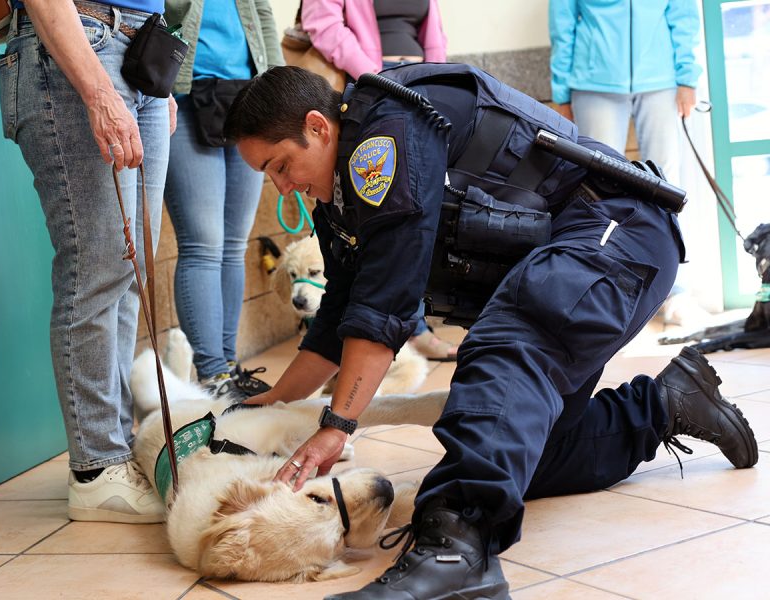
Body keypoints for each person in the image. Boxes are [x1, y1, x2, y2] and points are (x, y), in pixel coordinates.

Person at [224, 64, 758, 599]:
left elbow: (384, 301)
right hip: (575, 254)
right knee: (528, 449)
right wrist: (271, 404)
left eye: (281, 165)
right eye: (269, 175)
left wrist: (337, 424)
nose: (282, 186)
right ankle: (665, 405)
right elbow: (340, 313)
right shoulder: (337, 199)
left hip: (616, 227)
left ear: (317, 127)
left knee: (508, 342)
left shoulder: (383, 137)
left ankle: (456, 549)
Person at [0, 0, 176, 522]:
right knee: (97, 265)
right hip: (79, 39)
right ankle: (97, 468)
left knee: (130, 265)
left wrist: (157, 83)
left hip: (142, 51)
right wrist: (99, 91)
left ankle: (116, 448)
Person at [301, 0, 458, 361]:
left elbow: (433, 31)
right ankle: (406, 328)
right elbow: (321, 23)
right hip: (374, 90)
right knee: (388, 213)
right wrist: (375, 76)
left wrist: (435, 76)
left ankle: (412, 323)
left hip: (418, 85)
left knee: (421, 206)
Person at [549, 0, 708, 327]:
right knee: (597, 193)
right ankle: (602, 292)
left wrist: (687, 78)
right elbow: (563, 24)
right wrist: (561, 93)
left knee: (668, 189)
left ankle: (673, 291)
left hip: (660, 81)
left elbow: (682, 15)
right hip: (594, 83)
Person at [162, 0, 282, 399]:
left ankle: (228, 368)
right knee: (203, 243)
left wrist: (280, 88)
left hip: (249, 97)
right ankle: (212, 373)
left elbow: (261, 12)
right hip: (183, 92)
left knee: (233, 244)